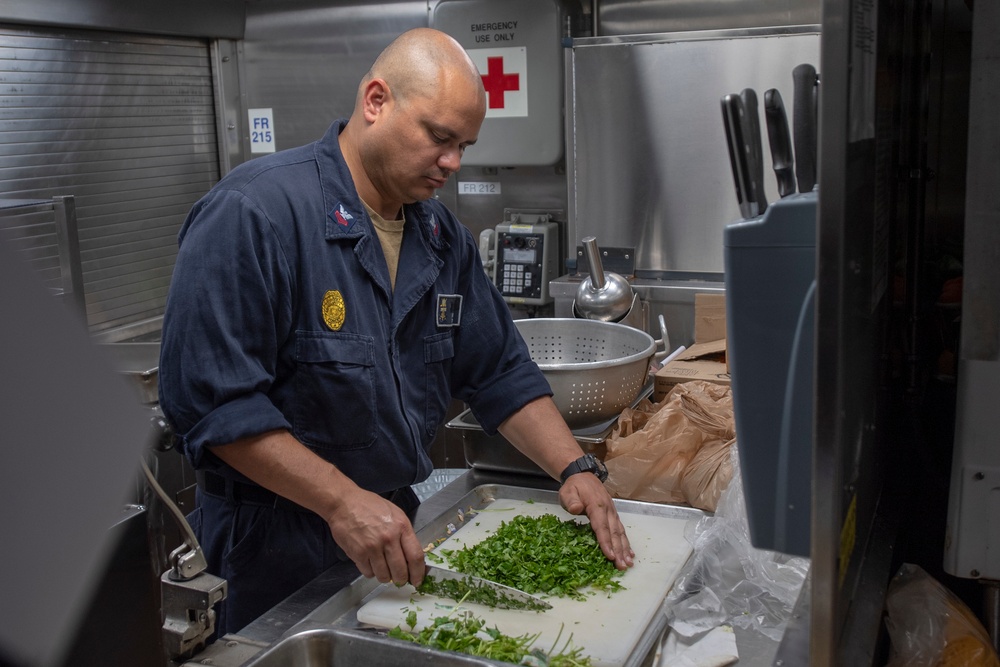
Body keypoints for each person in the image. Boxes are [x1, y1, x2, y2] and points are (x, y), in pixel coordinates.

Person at [158, 27, 634, 638]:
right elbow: (216, 406)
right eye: (440, 138)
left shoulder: (440, 238)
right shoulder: (254, 216)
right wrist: (340, 502)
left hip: (391, 529)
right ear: (376, 101)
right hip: (271, 547)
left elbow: (499, 372)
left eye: (464, 144)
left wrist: (574, 468)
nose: (454, 163)